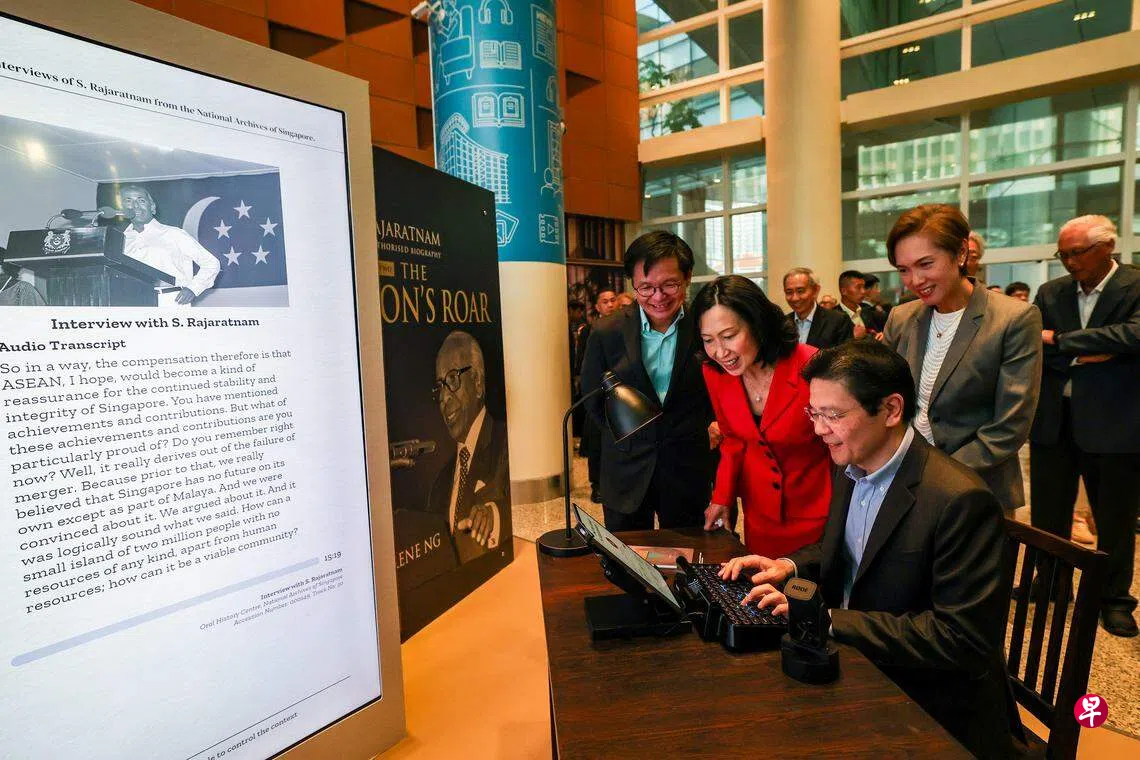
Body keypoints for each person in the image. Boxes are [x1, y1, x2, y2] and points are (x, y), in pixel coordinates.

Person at [723, 340, 1022, 759]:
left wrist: (828, 620)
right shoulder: (852, 463)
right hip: (859, 662)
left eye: (833, 415)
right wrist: (788, 566)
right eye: (814, 413)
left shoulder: (959, 500)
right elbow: (852, 550)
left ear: (891, 410)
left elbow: (961, 638)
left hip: (926, 701)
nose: (819, 430)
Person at [881, 204, 1042, 514]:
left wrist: (933, 476)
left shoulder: (1013, 319)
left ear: (961, 253)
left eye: (925, 264)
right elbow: (883, 395)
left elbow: (1010, 426)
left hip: (976, 489)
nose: (914, 280)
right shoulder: (901, 318)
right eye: (903, 270)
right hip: (904, 483)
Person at [1030, 215, 1140, 638]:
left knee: (1114, 519)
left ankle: (1114, 600)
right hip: (1054, 419)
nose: (1070, 262)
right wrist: (1100, 349)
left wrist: (1062, 341)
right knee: (1048, 514)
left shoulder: (1135, 284)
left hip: (1115, 420)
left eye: (1077, 252)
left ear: (1107, 246)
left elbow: (1133, 335)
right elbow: (1033, 343)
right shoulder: (1051, 291)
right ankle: (1051, 585)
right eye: (1063, 254)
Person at [580, 231, 716, 530]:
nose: (658, 297)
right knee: (626, 554)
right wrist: (628, 434)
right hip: (626, 469)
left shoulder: (704, 328)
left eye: (669, 284)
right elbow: (593, 397)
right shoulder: (607, 332)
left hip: (686, 470)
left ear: (687, 278)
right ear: (633, 284)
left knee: (687, 553)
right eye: (646, 287)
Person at [695, 275, 832, 557]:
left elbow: (841, 442)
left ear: (757, 325)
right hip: (760, 514)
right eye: (708, 340)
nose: (720, 351)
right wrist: (722, 497)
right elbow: (732, 440)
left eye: (729, 336)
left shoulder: (811, 364)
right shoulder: (715, 372)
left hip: (817, 509)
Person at [426, 331, 508, 563]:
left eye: (452, 380)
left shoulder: (508, 443)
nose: (444, 398)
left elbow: (530, 510)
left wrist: (494, 515)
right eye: (440, 386)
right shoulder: (439, 485)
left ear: (478, 383)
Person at [119, 185, 220, 304]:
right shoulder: (119, 240)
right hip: (131, 303)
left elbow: (211, 263)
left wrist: (193, 289)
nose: (135, 206)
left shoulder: (174, 234)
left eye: (141, 201)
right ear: (123, 209)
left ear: (152, 207)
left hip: (170, 302)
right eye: (129, 201)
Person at [782, 267, 854, 350]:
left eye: (800, 291)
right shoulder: (783, 323)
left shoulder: (838, 321)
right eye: (789, 292)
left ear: (815, 290)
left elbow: (847, 355)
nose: (795, 298)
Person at [837, 270, 883, 337]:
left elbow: (875, 333)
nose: (863, 291)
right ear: (844, 291)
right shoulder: (833, 317)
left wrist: (880, 336)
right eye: (858, 287)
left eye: (864, 287)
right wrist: (855, 338)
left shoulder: (868, 312)